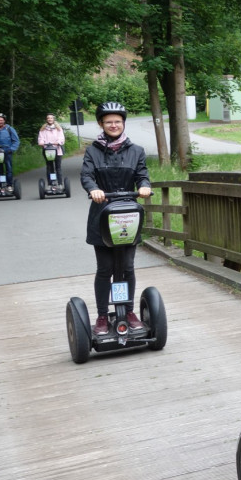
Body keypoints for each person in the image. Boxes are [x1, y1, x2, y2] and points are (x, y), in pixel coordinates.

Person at [81, 102, 151, 336]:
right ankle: (102, 316)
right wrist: (93, 189)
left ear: (123, 123)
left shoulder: (136, 150)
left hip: (128, 217)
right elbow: (87, 176)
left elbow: (142, 175)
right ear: (101, 124)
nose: (113, 125)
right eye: (109, 121)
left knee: (127, 267)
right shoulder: (93, 151)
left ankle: (129, 312)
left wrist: (144, 186)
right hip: (102, 216)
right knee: (105, 269)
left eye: (117, 121)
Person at [37, 112, 66, 178]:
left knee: (58, 167)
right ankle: (52, 181)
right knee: (50, 167)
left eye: (51, 118)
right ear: (46, 119)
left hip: (57, 150)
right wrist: (41, 142)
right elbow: (41, 138)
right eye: (48, 118)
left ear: (53, 119)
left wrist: (58, 142)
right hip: (47, 150)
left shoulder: (58, 128)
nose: (50, 119)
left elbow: (61, 138)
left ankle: (60, 182)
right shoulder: (43, 129)